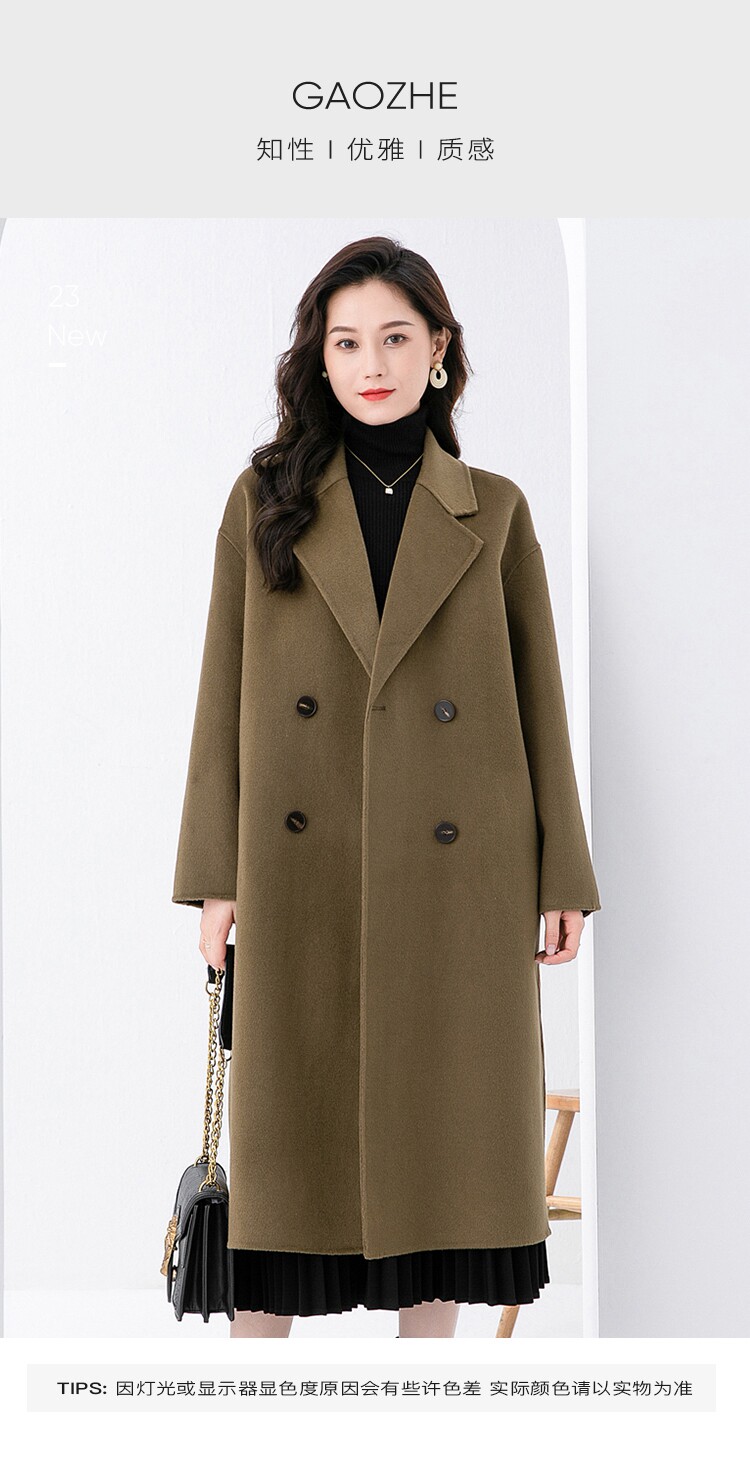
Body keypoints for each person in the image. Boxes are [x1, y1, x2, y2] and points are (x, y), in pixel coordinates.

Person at [172, 235, 601, 1339]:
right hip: (298, 863)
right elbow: (221, 695)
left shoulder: (493, 511)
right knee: (283, 1151)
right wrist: (216, 875)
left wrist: (562, 872)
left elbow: (542, 703)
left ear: (439, 350)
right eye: (347, 341)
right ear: (318, 358)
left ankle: (421, 1406)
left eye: (397, 338)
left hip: (458, 870)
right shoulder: (264, 500)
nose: (372, 364)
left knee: (444, 1145)